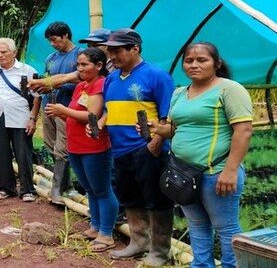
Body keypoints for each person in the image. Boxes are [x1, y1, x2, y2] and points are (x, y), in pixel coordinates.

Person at [145, 42, 253, 268]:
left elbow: (243, 131)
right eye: (189, 60)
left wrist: (231, 171)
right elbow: (175, 129)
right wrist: (156, 128)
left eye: (202, 60)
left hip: (217, 172)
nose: (194, 65)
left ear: (217, 63)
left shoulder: (229, 89)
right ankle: (201, 265)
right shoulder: (179, 93)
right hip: (183, 172)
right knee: (197, 224)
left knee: (226, 227)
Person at [94, 28, 175, 266]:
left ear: (135, 49)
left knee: (157, 199)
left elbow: (167, 115)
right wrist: (99, 125)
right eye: (110, 51)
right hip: (120, 149)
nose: (112, 56)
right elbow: (110, 110)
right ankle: (139, 242)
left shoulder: (156, 75)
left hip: (147, 149)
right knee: (130, 198)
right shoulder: (111, 78)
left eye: (117, 51)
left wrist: (155, 144)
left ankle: (160, 250)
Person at [45, 48, 118, 252]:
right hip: (75, 145)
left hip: (94, 145)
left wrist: (63, 110)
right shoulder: (81, 87)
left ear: (99, 66)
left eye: (85, 64)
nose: (80, 68)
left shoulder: (100, 84)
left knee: (102, 189)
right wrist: (58, 113)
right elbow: (74, 115)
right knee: (90, 189)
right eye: (78, 65)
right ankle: (95, 227)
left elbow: (92, 116)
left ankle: (106, 233)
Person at [0, 38, 41, 202]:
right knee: (0, 153)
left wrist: (33, 119)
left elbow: (37, 97)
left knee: (23, 153)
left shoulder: (27, 70)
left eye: (4, 52)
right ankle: (6, 187)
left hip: (20, 116)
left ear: (14, 52)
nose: (0, 56)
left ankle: (28, 189)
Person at [41, 22, 83, 205]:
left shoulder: (80, 55)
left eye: (54, 39)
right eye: (49, 41)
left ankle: (56, 189)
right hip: (48, 105)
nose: (52, 44)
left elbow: (83, 80)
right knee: (50, 145)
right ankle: (66, 185)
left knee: (62, 148)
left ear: (66, 36)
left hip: (67, 107)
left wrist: (57, 83)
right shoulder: (51, 57)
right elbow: (45, 79)